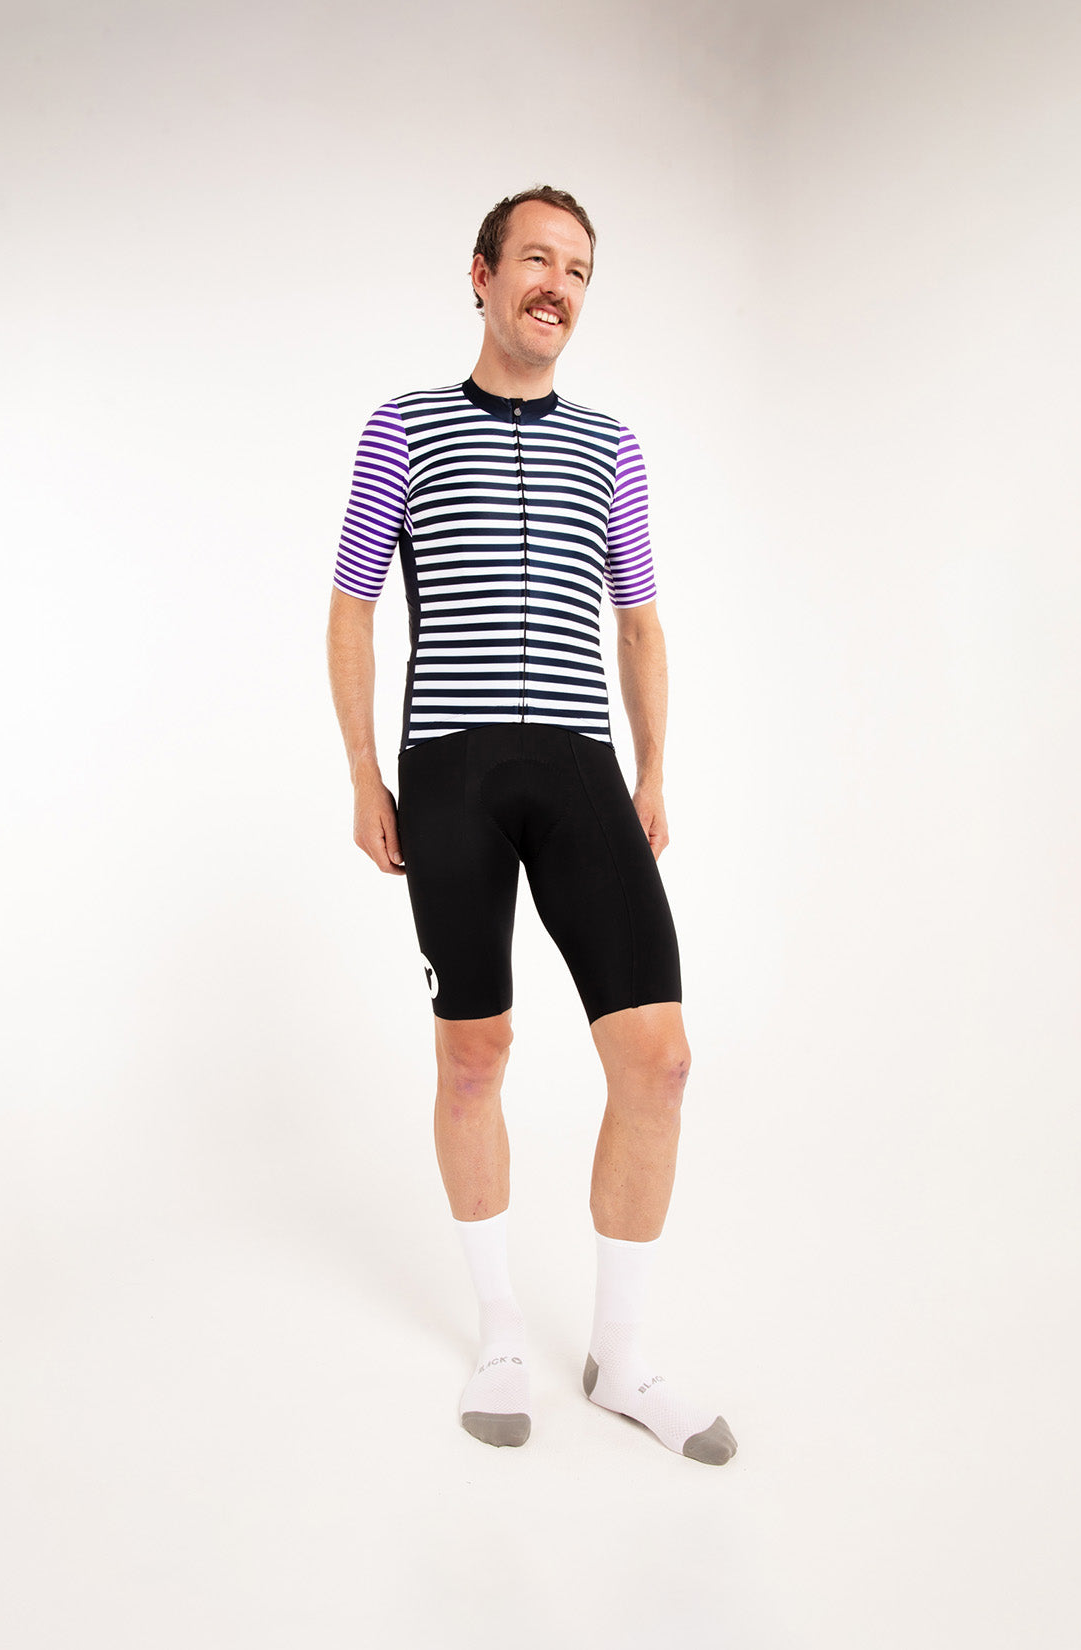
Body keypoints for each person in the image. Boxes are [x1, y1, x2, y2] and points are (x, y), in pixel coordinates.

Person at [325, 186, 734, 1465]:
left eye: (580, 269)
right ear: (483, 275)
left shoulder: (612, 445)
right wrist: (363, 775)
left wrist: (651, 772)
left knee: (659, 1059)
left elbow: (640, 621)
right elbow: (351, 607)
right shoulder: (402, 428)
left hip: (578, 768)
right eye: (538, 260)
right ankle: (501, 1329)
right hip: (449, 770)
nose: (558, 284)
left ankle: (624, 1355)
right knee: (475, 1054)